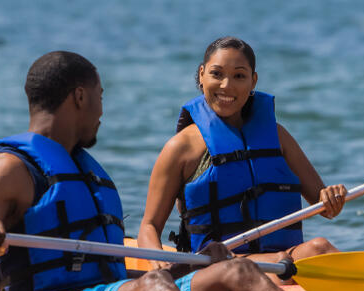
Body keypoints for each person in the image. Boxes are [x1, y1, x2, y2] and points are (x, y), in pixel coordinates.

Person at [0, 51, 322, 291]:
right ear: (80, 97)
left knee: (237, 272)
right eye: (100, 98)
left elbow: (117, 279)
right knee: (150, 289)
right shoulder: (8, 171)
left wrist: (185, 271)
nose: (103, 111)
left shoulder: (88, 170)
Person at [137, 36, 348, 277]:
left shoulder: (278, 137)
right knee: (278, 266)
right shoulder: (181, 148)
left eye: (239, 76)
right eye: (217, 74)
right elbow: (149, 226)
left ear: (253, 81)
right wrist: (157, 262)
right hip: (217, 266)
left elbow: (326, 208)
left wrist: (331, 197)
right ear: (202, 74)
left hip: (282, 260)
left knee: (319, 247)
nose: (227, 86)